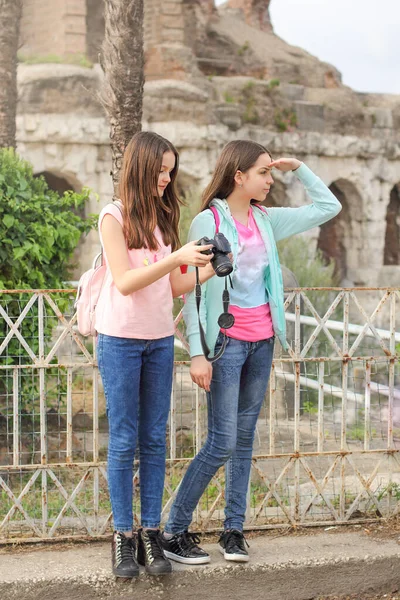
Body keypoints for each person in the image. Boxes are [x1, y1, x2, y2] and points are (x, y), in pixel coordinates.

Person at [161, 140, 342, 564]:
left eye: (273, 171)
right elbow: (191, 291)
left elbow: (326, 206)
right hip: (224, 344)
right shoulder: (207, 221)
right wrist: (197, 353)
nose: (270, 178)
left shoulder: (267, 220)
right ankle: (173, 529)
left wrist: (300, 168)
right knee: (221, 441)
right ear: (238, 176)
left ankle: (233, 531)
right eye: (264, 172)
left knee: (244, 439)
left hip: (263, 341)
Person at [96, 131, 214, 578]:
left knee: (154, 440)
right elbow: (126, 282)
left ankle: (151, 533)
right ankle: (123, 538)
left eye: (171, 171)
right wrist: (175, 257)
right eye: (161, 170)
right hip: (121, 339)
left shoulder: (164, 219)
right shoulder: (114, 217)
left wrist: (204, 268)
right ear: (140, 167)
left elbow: (172, 286)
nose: (166, 179)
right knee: (125, 439)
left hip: (160, 339)